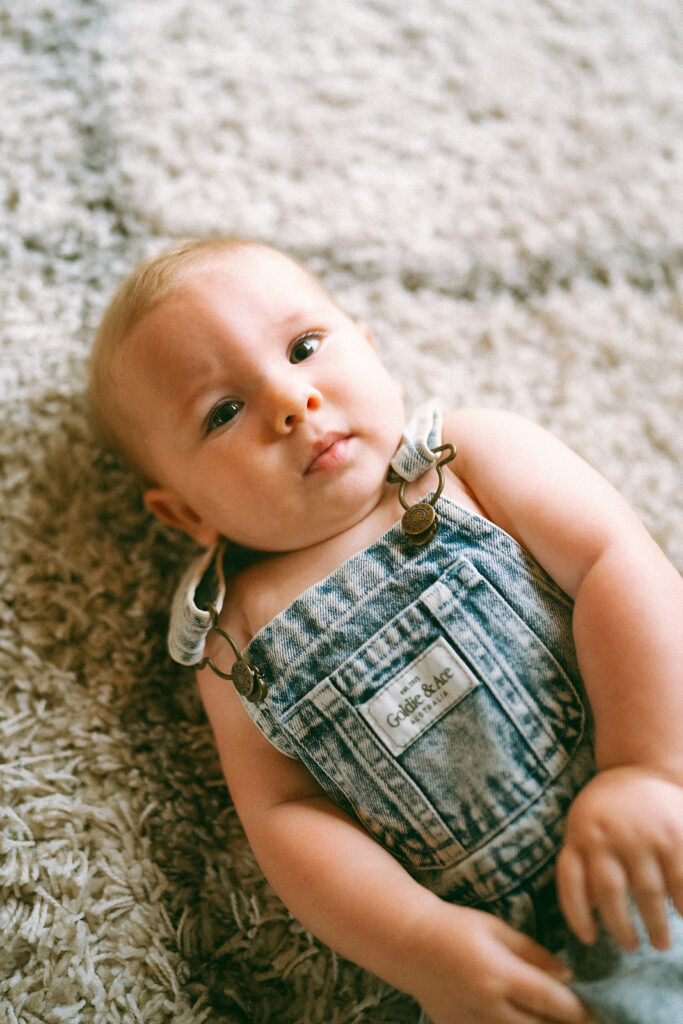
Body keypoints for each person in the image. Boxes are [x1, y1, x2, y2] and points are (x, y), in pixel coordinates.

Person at [89, 238, 683, 1024]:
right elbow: (286, 817)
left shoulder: (464, 459)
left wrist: (644, 767)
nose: (291, 400)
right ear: (187, 513)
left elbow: (620, 566)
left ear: (369, 348)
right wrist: (420, 943)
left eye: (305, 348)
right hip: (528, 960)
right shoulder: (230, 640)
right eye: (223, 411)